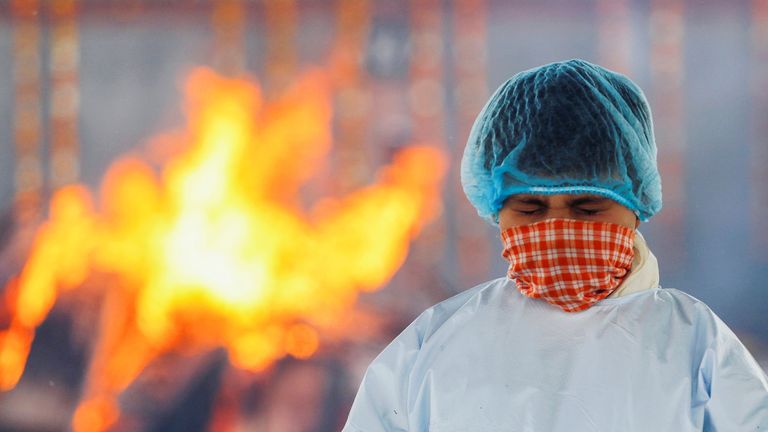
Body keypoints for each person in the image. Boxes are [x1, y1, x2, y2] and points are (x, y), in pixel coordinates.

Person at [342, 59, 768, 431]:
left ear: (636, 206)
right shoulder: (433, 346)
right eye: (530, 209)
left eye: (587, 208)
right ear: (496, 210)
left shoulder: (696, 345)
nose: (559, 228)